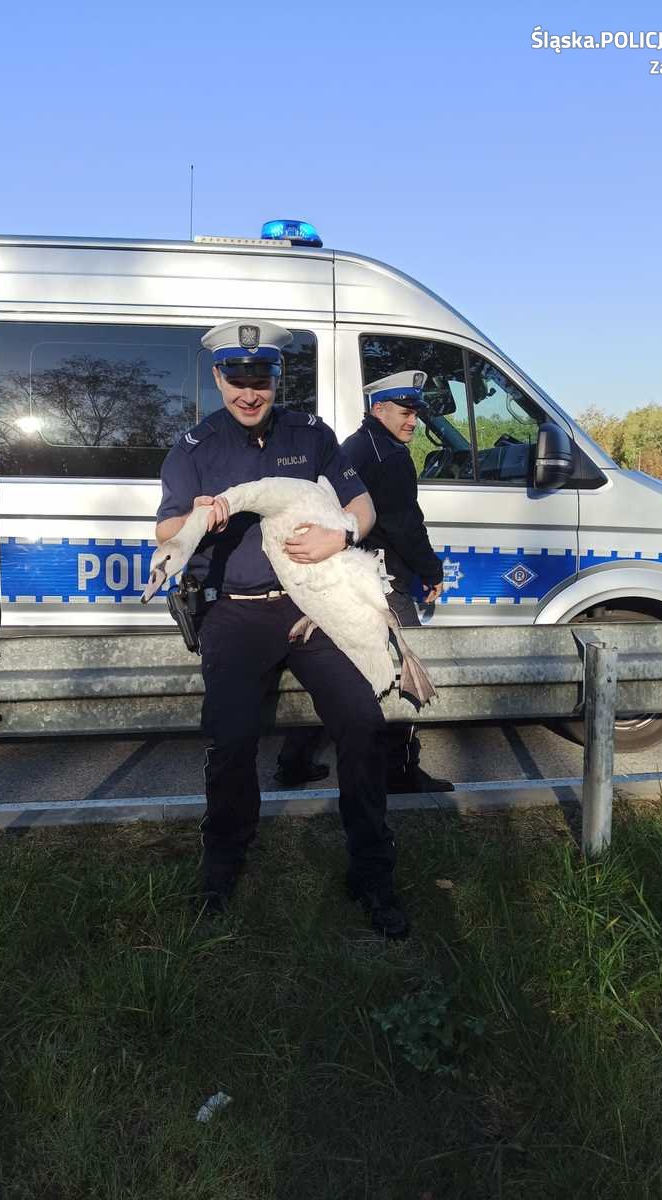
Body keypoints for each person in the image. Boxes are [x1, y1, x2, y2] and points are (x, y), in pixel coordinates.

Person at [154, 319, 410, 937]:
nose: (249, 391)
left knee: (362, 720)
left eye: (260, 376)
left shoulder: (311, 435)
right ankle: (222, 867)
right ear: (218, 378)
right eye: (236, 377)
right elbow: (164, 532)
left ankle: (371, 871)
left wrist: (340, 535)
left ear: (276, 377)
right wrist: (194, 519)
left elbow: (362, 507)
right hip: (235, 613)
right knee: (233, 739)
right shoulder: (195, 448)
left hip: (309, 609)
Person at [342, 371, 454, 794]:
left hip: (356, 573)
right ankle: (401, 771)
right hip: (384, 580)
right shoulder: (389, 455)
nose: (413, 422)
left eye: (415, 414)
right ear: (379, 408)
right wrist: (432, 570)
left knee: (344, 665)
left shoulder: (357, 445)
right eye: (406, 412)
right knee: (408, 664)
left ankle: (294, 758)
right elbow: (405, 525)